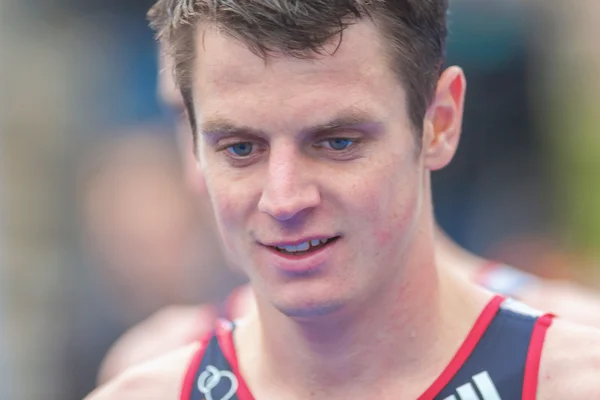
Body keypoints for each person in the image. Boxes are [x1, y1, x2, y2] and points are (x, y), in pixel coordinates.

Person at [87, 1, 600, 398]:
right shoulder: (146, 388)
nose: (284, 198)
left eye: (338, 142)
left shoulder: (572, 380)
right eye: (241, 148)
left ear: (440, 122)